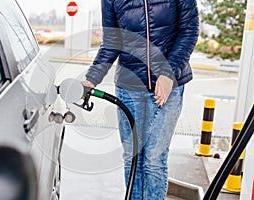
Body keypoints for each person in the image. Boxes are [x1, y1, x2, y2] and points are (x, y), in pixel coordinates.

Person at [82, 0, 199, 199]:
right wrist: (91, 78)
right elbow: (112, 41)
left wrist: (167, 72)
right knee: (133, 158)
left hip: (169, 86)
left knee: (154, 159)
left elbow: (189, 30)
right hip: (129, 88)